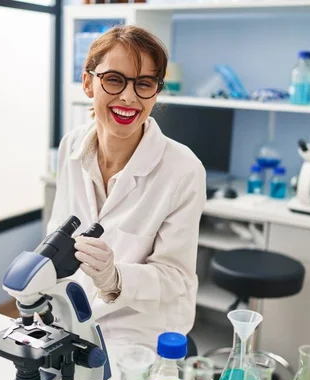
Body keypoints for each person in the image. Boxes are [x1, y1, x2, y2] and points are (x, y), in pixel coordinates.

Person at [47, 25, 206, 350]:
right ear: (89, 82)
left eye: (144, 84)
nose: (129, 97)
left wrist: (115, 277)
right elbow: (58, 230)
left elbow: (175, 278)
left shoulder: (183, 169)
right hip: (74, 319)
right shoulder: (72, 147)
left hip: (141, 333)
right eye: (114, 79)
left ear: (156, 92)